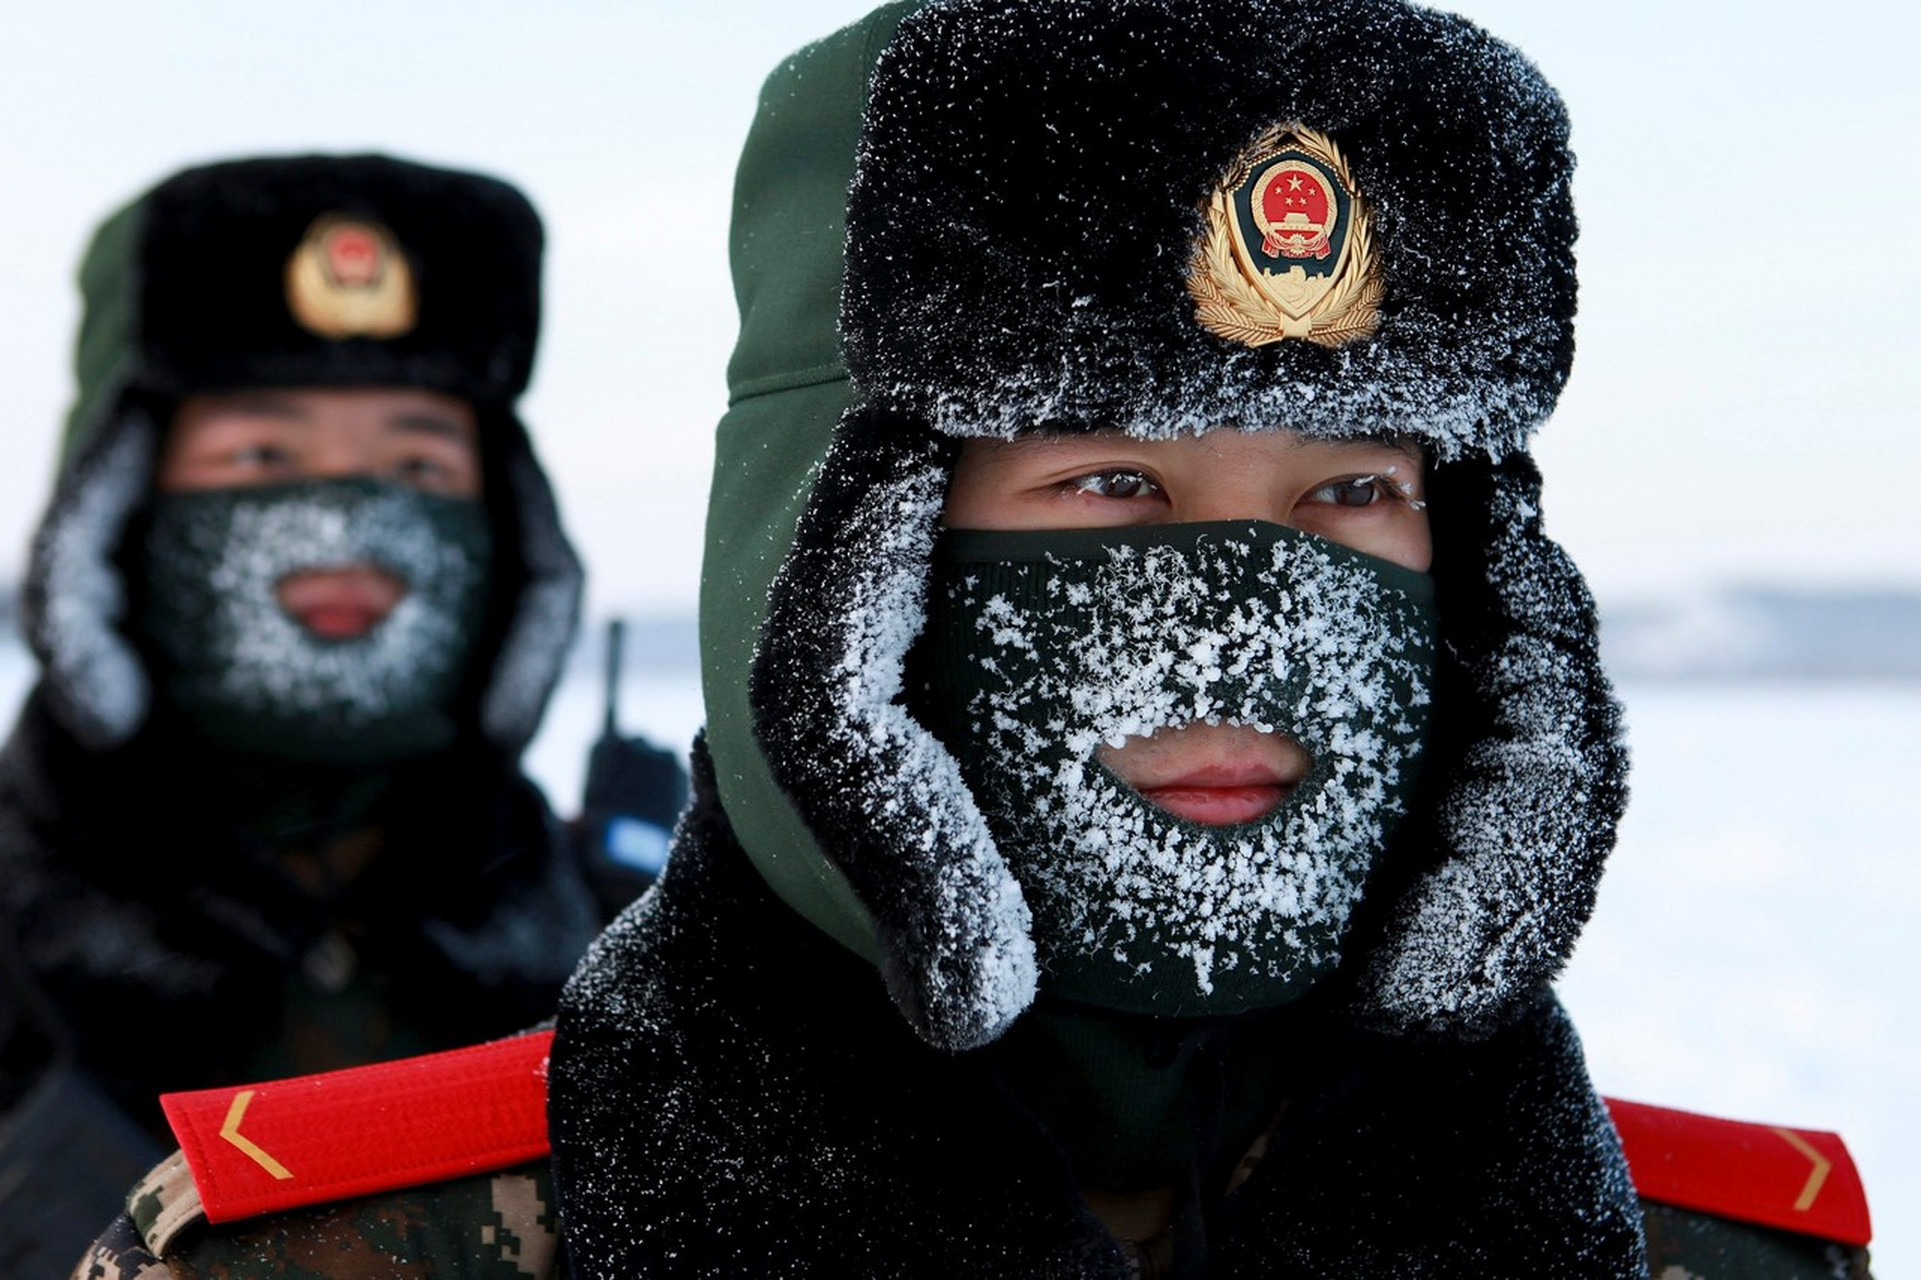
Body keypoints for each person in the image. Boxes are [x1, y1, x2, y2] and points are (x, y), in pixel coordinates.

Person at [72, 3, 1874, 1277]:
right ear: (823, 559)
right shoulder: (338, 1255)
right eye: (1106, 482)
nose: (1246, 611)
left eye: (1346, 495)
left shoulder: (1718, 1254)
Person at [0, 154, 608, 1274]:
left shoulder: (617, 934)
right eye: (264, 454)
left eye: (418, 462)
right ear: (121, 509)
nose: (345, 524)